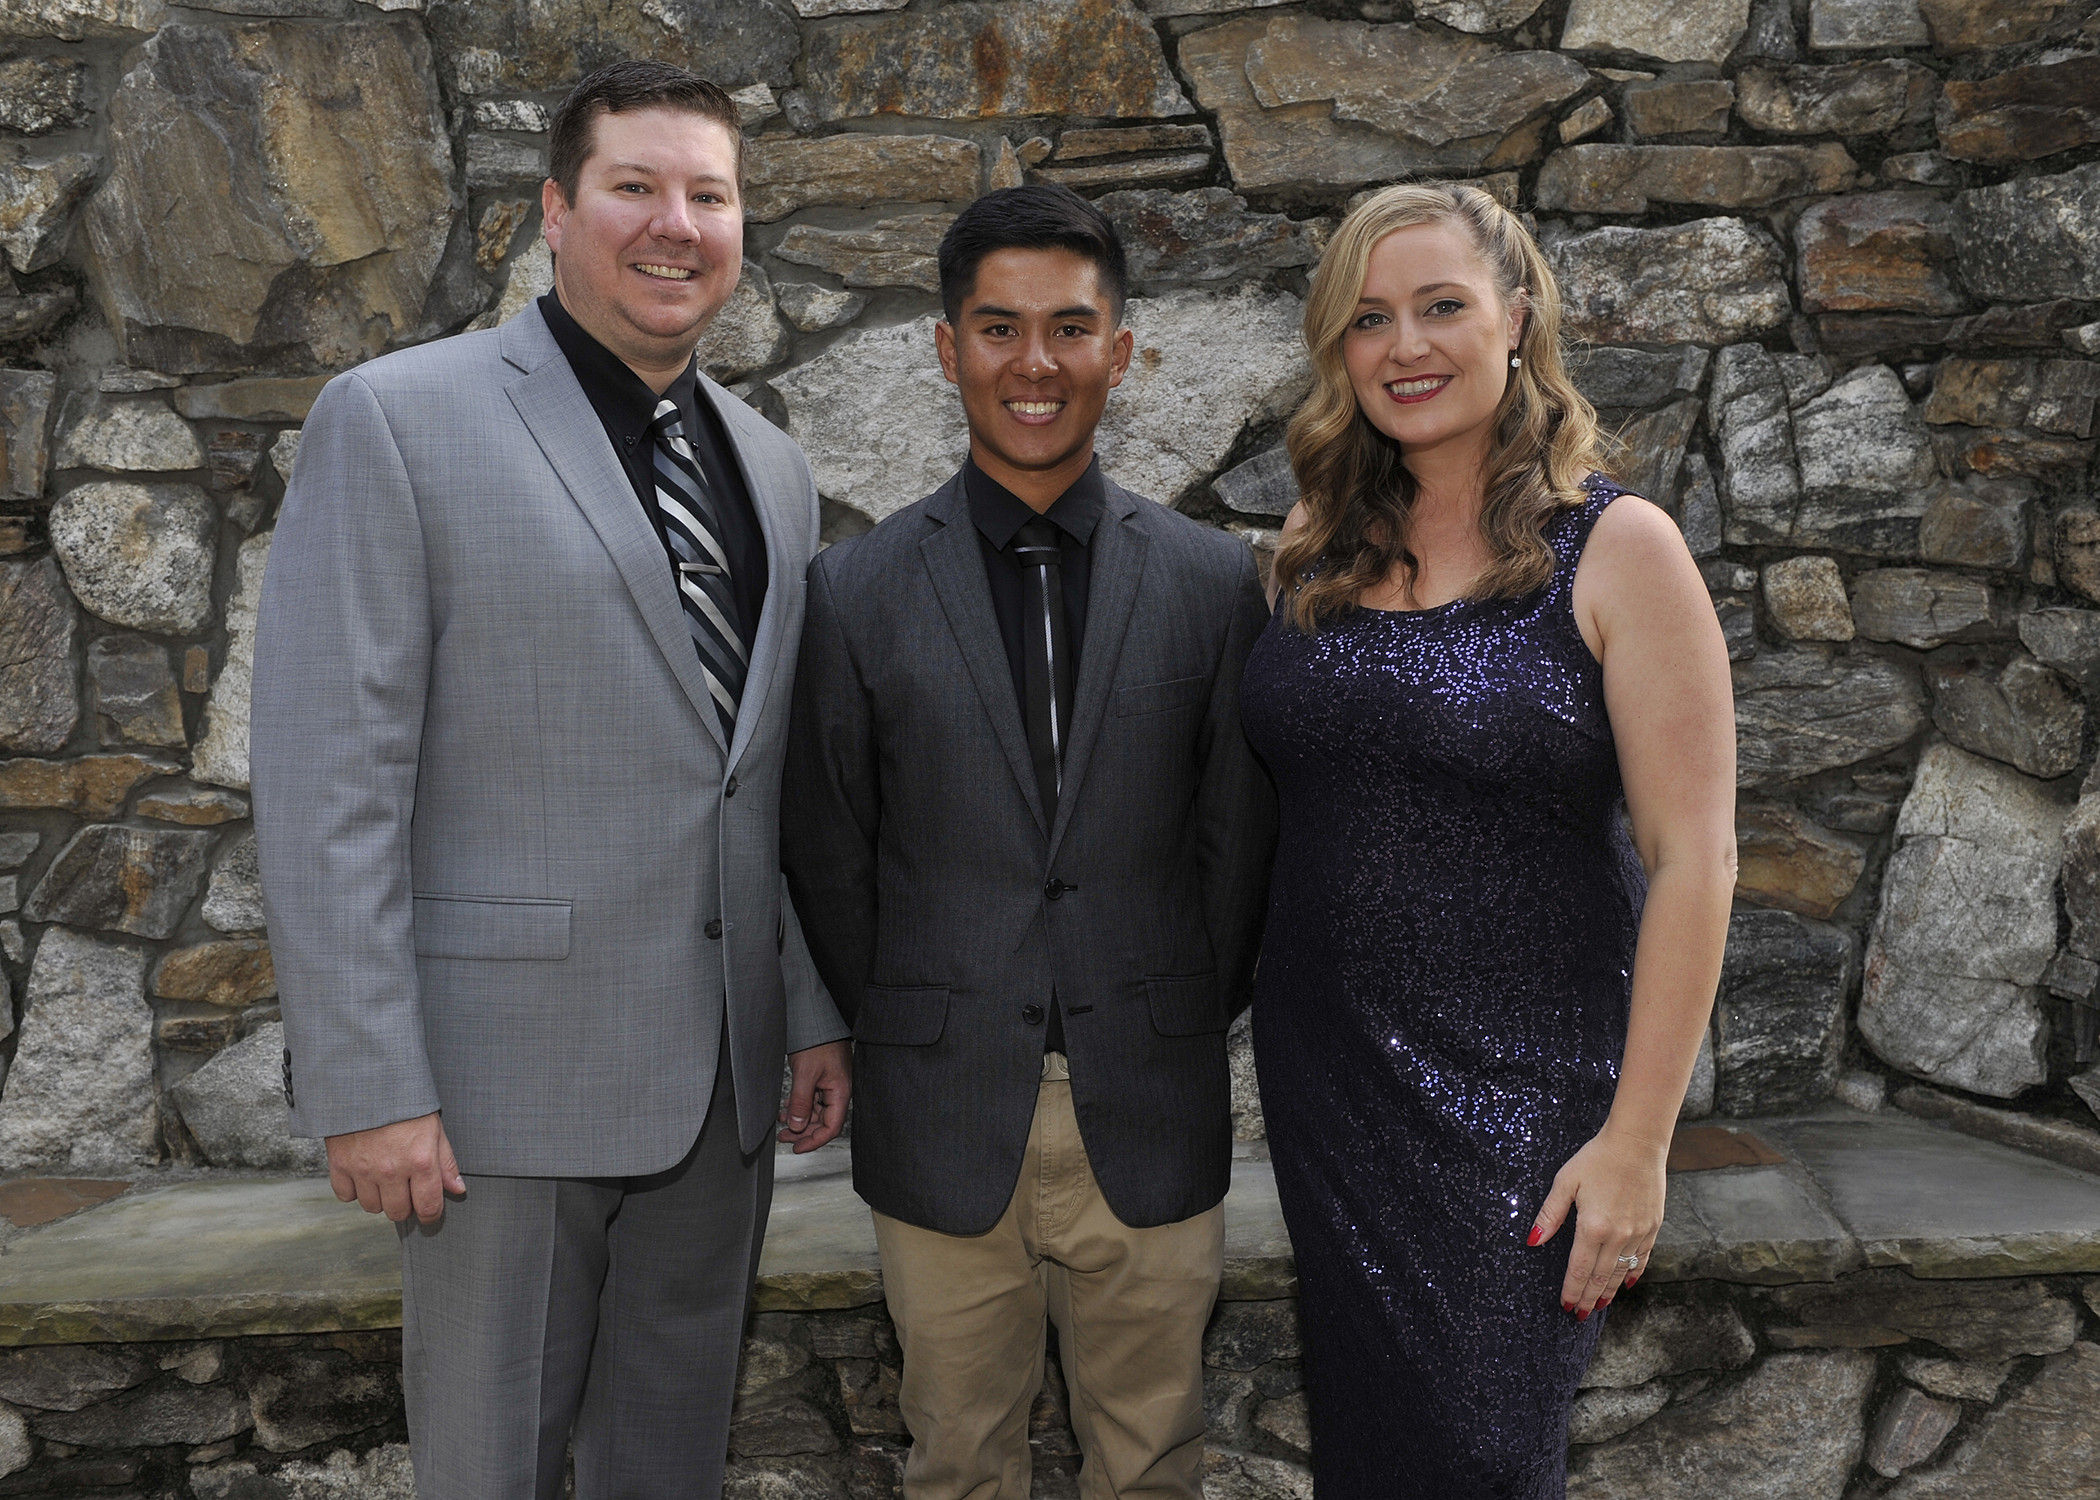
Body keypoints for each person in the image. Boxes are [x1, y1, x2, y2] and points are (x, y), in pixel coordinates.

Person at [250, 61, 851, 1500]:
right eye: (636, 186)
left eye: (709, 194)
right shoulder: (398, 419)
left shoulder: (769, 469)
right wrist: (368, 1082)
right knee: (492, 1469)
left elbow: (744, 781)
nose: (676, 224)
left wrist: (809, 1013)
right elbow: (328, 774)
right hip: (491, 1100)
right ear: (557, 210)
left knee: (665, 1464)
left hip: (718, 1086)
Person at [1239, 181, 1736, 1497]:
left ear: (1517, 319)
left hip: (1527, 1101)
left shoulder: (1620, 549)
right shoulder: (1307, 552)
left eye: (1442, 307)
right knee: (1378, 1452)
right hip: (1333, 1090)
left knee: (1481, 1453)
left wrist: (1638, 1143)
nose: (1404, 346)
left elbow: (1698, 860)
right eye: (1368, 318)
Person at [781, 184, 1278, 1500]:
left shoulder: (1216, 584)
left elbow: (1237, 847)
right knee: (957, 1463)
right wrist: (915, 1010)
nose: (1035, 363)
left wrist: (1173, 1003)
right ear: (948, 350)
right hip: (940, 1107)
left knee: (1153, 1462)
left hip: (1151, 1096)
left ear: (1121, 349)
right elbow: (831, 850)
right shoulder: (857, 590)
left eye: (1070, 328)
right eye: (999, 328)